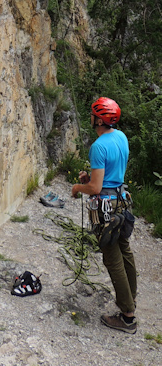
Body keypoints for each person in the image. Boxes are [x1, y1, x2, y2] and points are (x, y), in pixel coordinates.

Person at [71, 97, 137, 334]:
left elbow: (97, 190)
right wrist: (89, 181)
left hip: (106, 207)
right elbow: (109, 177)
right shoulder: (121, 137)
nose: (90, 117)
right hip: (122, 200)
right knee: (125, 250)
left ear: (99, 119)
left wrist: (79, 188)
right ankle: (131, 298)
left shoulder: (98, 146)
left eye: (92, 114)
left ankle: (128, 316)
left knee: (112, 257)